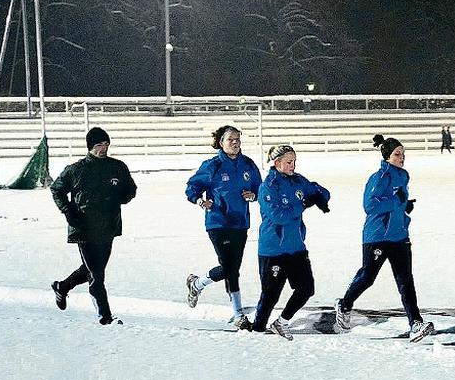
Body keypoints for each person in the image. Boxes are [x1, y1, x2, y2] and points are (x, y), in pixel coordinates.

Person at [334, 135, 435, 342]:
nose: (402, 157)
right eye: (397, 154)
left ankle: (415, 323)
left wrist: (404, 205)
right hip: (377, 236)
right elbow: (370, 206)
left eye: (403, 154)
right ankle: (344, 305)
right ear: (387, 156)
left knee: (405, 280)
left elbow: (398, 200)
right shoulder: (378, 178)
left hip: (399, 236)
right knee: (368, 277)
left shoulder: (403, 176)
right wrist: (395, 201)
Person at [50, 127, 137, 325]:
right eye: (99, 145)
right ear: (90, 147)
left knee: (92, 269)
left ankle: (62, 287)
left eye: (106, 144)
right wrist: (68, 211)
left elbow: (130, 188)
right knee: (97, 274)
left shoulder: (117, 166)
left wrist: (124, 195)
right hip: (84, 227)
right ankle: (105, 317)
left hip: (108, 226)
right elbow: (57, 189)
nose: (103, 149)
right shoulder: (76, 169)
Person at [184, 125, 263, 330]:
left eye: (238, 139)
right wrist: (199, 200)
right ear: (221, 142)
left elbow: (259, 188)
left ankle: (197, 284)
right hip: (218, 222)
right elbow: (192, 186)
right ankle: (238, 314)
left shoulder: (247, 164)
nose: (235, 143)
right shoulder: (212, 166)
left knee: (232, 268)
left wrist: (253, 195)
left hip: (240, 223)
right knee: (229, 267)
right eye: (231, 140)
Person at [251, 145, 330, 340]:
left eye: (294, 161)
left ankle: (282, 322)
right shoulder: (268, 186)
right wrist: (302, 204)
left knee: (306, 288)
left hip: (296, 247)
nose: (293, 165)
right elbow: (278, 216)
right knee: (270, 294)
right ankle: (257, 329)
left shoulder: (298, 180)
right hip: (273, 249)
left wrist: (319, 196)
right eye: (289, 162)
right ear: (277, 163)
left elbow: (319, 190)